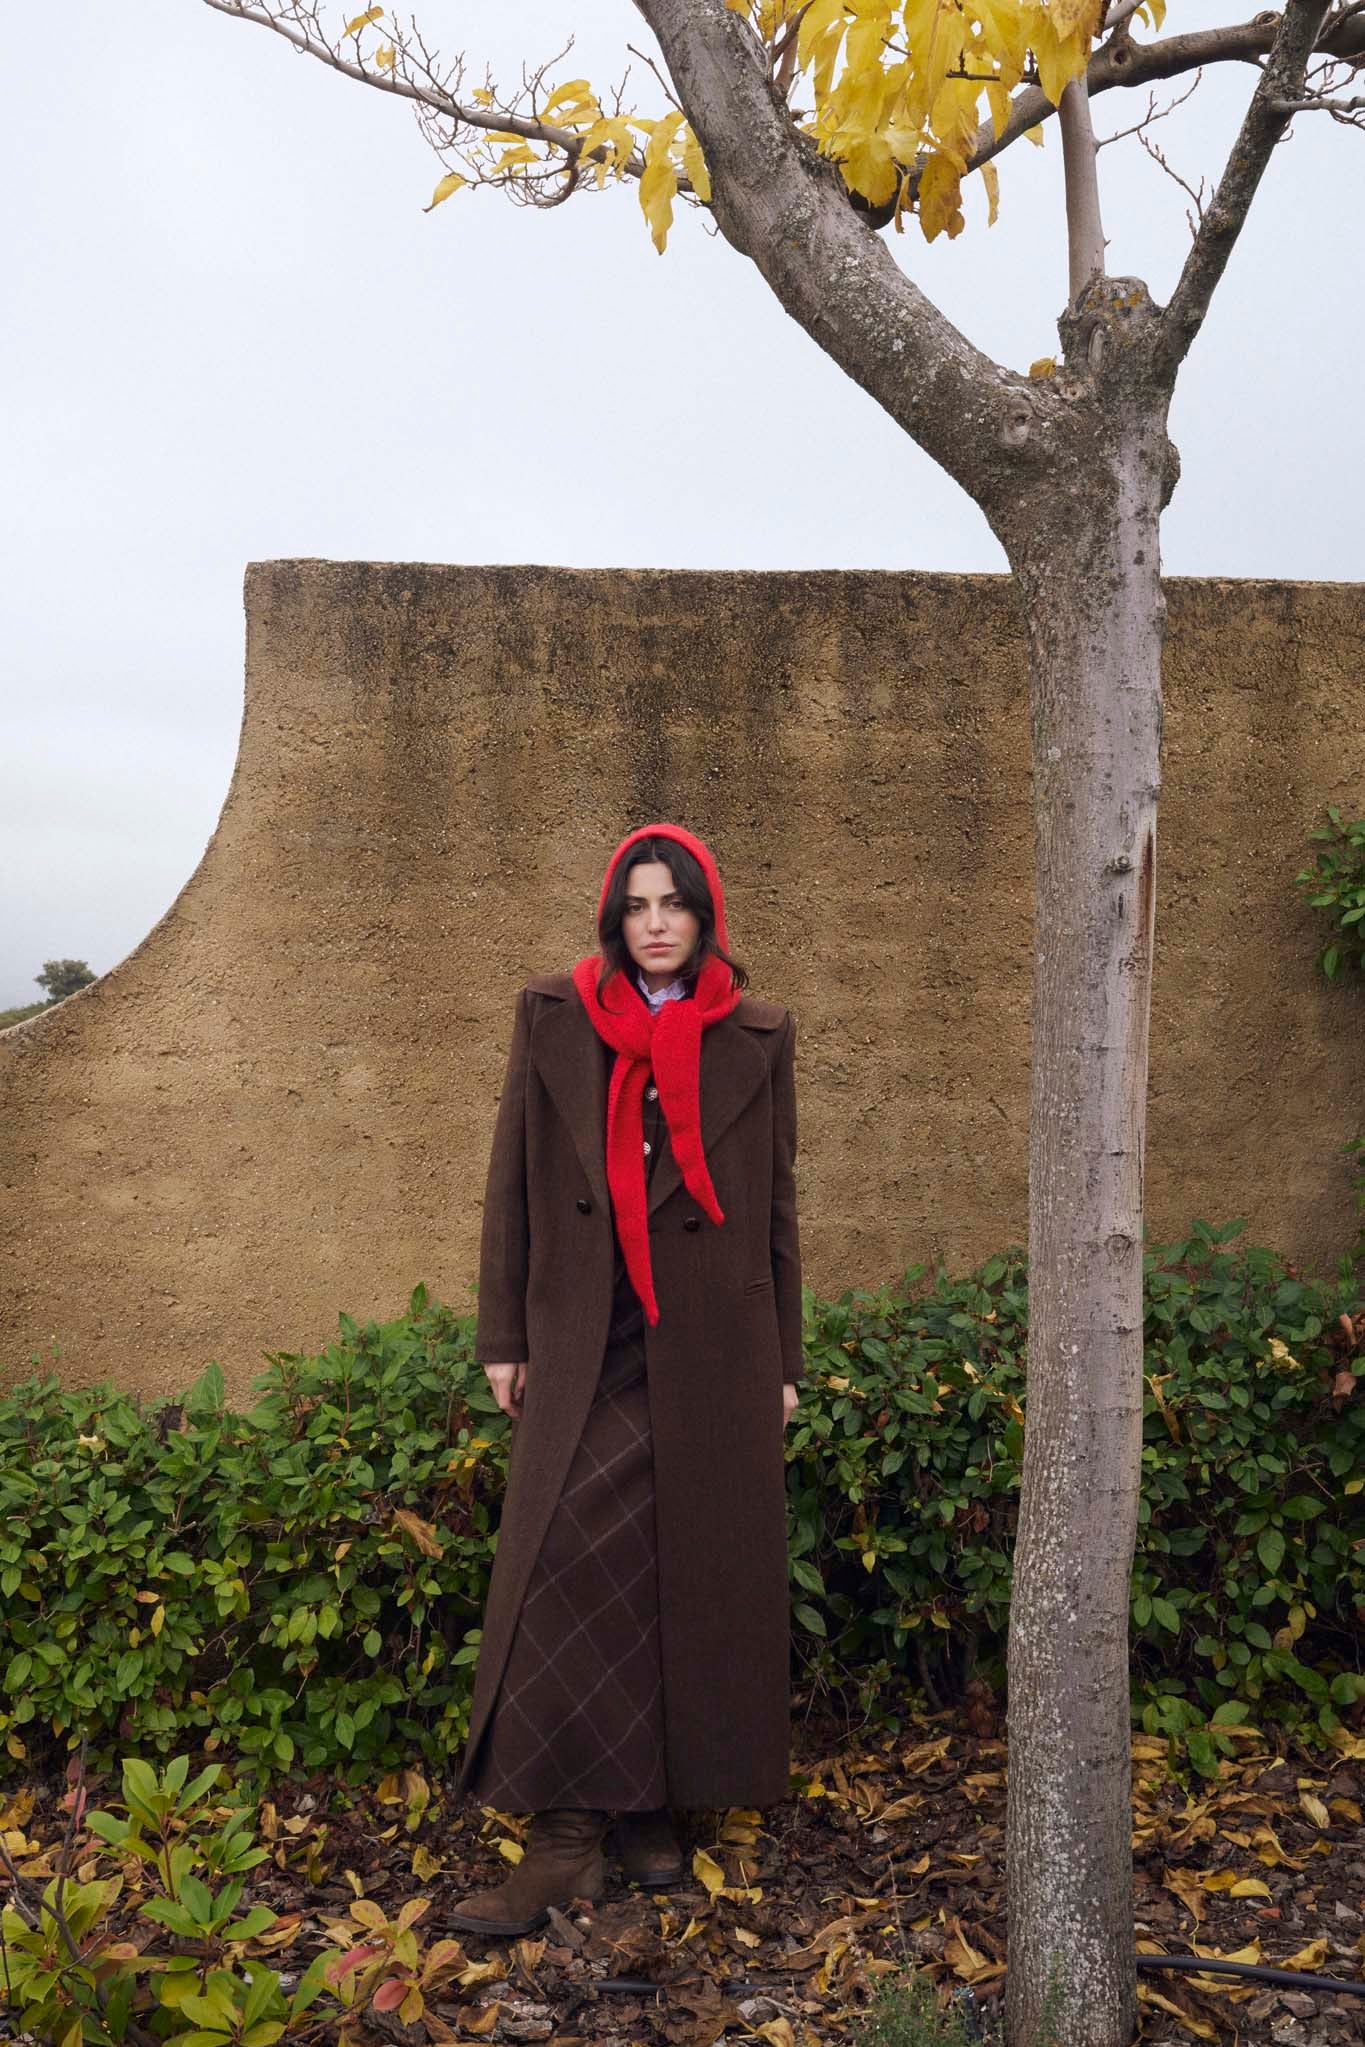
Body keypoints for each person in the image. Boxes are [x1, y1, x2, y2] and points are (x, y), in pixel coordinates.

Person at [449, 822, 805, 1937]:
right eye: (638, 905)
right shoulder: (554, 1014)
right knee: (566, 1558)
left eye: (675, 904)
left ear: (705, 916)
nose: (656, 923)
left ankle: (647, 1812)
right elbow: (511, 1178)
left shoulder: (756, 1033)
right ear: (616, 918)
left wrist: (784, 1361)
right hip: (584, 1337)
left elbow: (776, 1207)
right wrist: (502, 1334)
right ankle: (565, 1838)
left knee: (676, 1572)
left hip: (710, 1347)